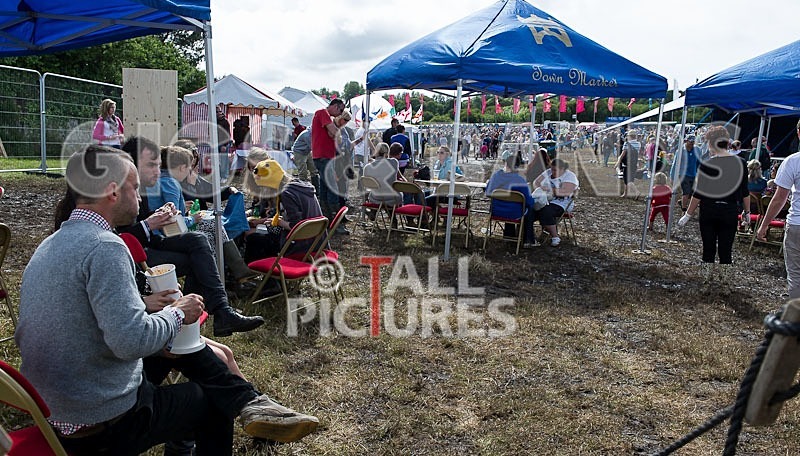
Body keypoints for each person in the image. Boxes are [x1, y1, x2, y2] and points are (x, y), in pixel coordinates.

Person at [18, 146, 318, 456]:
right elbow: (131, 341)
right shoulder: (106, 247)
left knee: (176, 349)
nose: (139, 196)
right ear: (112, 192)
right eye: (135, 188)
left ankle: (248, 403)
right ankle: (244, 403)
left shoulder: (49, 245)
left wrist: (152, 312)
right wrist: (177, 313)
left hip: (55, 409)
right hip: (98, 421)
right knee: (210, 401)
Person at [119, 136, 264, 337]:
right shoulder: (120, 194)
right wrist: (150, 223)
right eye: (152, 165)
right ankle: (190, 318)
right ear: (131, 164)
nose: (158, 171)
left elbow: (147, 230)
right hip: (133, 260)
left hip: (149, 245)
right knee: (200, 253)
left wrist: (156, 219)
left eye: (159, 165)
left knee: (199, 240)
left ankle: (220, 310)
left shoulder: (141, 190)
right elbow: (118, 238)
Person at [678, 126, 749, 264]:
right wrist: (747, 212)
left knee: (708, 249)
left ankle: (707, 279)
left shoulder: (707, 164)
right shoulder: (741, 163)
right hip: (730, 211)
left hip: (709, 211)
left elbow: (698, 193)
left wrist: (688, 214)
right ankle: (725, 280)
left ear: (711, 143)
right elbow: (745, 190)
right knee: (726, 250)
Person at [243, 158, 324, 260]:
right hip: (317, 241)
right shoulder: (297, 184)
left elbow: (296, 226)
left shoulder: (286, 194)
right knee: (261, 236)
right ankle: (267, 272)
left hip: (302, 245)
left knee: (254, 239)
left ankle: (261, 270)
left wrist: (280, 222)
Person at [757, 120, 800, 298]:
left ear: (798, 133)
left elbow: (779, 198)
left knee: (796, 277)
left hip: (797, 224)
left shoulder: (793, 162)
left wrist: (764, 224)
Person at [485, 149, 537, 248]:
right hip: (514, 213)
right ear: (518, 167)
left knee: (513, 204)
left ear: (506, 163)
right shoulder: (520, 181)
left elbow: (488, 192)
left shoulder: (496, 176)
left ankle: (509, 235)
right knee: (529, 209)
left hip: (496, 211)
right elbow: (529, 201)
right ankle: (528, 240)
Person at [530, 159, 579, 246]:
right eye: (552, 169)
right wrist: (540, 188)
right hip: (544, 200)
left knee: (545, 211)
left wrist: (549, 189)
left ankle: (555, 236)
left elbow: (566, 192)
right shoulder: (548, 172)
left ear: (563, 169)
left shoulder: (570, 176)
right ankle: (528, 237)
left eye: (555, 170)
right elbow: (536, 182)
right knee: (528, 210)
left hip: (561, 203)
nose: (552, 172)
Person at [312, 98, 346, 222]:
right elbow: (334, 134)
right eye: (341, 110)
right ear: (335, 106)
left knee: (325, 188)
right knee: (332, 188)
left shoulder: (326, 117)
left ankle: (325, 217)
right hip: (323, 157)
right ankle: (336, 220)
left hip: (323, 157)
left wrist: (334, 132)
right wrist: (335, 132)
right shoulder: (322, 112)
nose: (341, 114)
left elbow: (333, 134)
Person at [363, 142, 403, 207]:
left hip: (375, 197)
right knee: (401, 194)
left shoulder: (367, 167)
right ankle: (393, 215)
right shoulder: (394, 162)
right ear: (388, 152)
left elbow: (367, 187)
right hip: (392, 197)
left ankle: (375, 212)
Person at [671, 134, 701, 211]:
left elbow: (699, 162)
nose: (692, 144)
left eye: (693, 142)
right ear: (686, 141)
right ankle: (684, 209)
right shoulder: (680, 151)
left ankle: (681, 202)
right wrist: (672, 176)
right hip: (683, 174)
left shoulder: (697, 149)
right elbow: (675, 164)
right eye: (690, 142)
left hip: (693, 174)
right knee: (686, 192)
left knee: (692, 194)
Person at [616, 130, 641, 198]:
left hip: (627, 163)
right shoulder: (638, 144)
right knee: (630, 179)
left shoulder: (627, 143)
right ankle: (625, 193)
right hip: (634, 164)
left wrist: (618, 162)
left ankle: (636, 192)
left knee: (627, 180)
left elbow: (622, 154)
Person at [215, 107, 232, 181]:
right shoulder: (213, 121)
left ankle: (224, 176)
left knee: (224, 161)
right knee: (216, 160)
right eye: (216, 112)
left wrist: (224, 145)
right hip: (215, 143)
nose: (218, 113)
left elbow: (227, 134)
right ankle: (218, 176)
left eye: (219, 111)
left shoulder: (225, 121)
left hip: (223, 144)